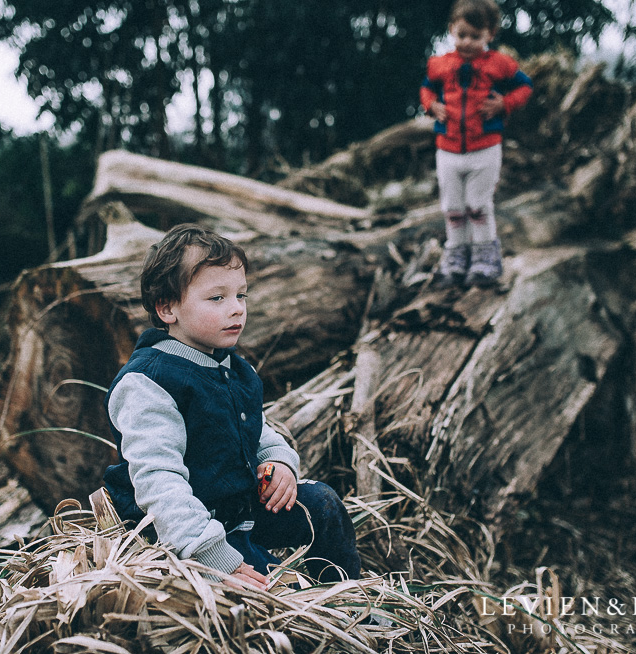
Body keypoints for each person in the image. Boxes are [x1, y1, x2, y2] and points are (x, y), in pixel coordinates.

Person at [103, 223, 361, 590]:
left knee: (321, 503)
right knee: (275, 594)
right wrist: (212, 556)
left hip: (236, 510)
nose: (236, 309)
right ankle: (289, 592)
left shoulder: (231, 366)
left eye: (241, 295)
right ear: (167, 308)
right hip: (181, 535)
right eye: (217, 298)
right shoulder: (149, 382)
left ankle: (348, 598)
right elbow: (159, 484)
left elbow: (256, 429)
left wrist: (279, 461)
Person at [420, 0, 533, 287]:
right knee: (452, 207)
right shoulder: (440, 64)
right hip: (448, 150)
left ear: (490, 34)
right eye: (461, 35)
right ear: (451, 31)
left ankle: (486, 259)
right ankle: (455, 257)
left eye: (475, 36)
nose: (467, 42)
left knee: (478, 205)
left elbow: (525, 86)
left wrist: (505, 104)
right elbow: (426, 88)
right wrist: (431, 105)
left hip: (485, 149)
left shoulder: (499, 63)